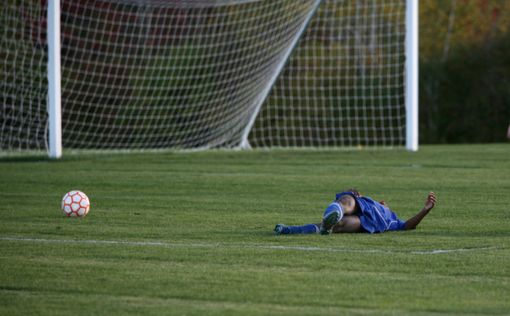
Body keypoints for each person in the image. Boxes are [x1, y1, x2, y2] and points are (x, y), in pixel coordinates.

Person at [274, 190, 437, 235]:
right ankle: (291, 230)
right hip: (361, 206)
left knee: (340, 220)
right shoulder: (370, 200)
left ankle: (333, 216)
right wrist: (355, 192)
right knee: (345, 206)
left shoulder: (392, 220)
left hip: (371, 223)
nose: (384, 203)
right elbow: (354, 195)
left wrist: (425, 210)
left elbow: (408, 226)